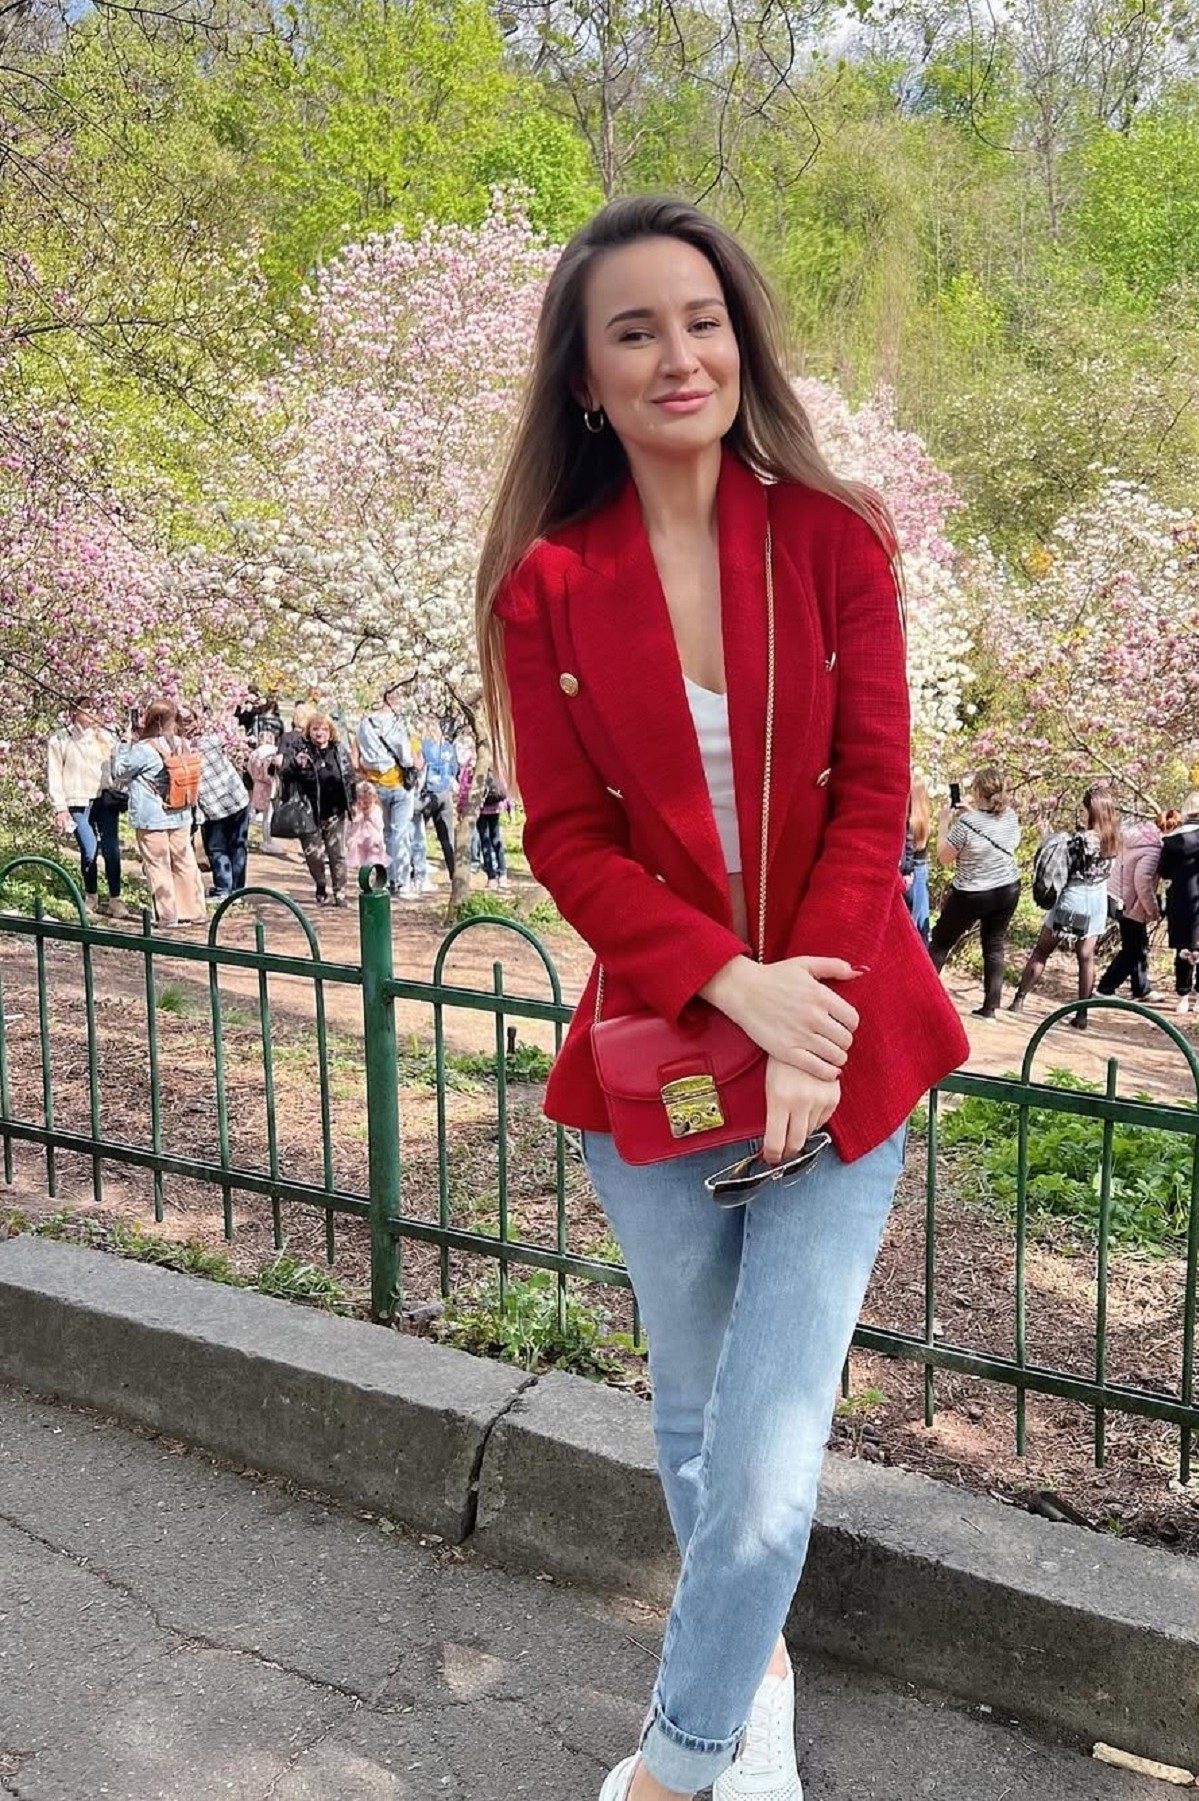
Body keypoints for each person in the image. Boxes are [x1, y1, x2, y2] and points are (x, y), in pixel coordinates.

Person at [474, 196, 968, 1801]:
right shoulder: (550, 587)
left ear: (738, 341)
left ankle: (671, 1772)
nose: (676, 354)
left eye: (699, 320)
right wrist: (734, 986)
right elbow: (566, 839)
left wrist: (804, 1025)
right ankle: (750, 1686)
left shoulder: (831, 537)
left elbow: (872, 798)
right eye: (633, 330)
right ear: (585, 380)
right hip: (666, 1054)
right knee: (692, 1420)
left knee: (762, 1468)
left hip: (842, 1051)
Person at [1009, 780, 1120, 1029]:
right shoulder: (1114, 840)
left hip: (1073, 897)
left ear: (1091, 810)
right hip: (1097, 900)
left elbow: (1060, 867)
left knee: (1042, 950)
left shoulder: (1080, 840)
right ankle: (1082, 1014)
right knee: (1086, 958)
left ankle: (1019, 999)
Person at [928, 768, 1021, 1019]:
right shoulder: (1010, 816)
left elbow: (944, 857)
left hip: (972, 893)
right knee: (994, 946)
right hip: (1007, 888)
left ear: (978, 791)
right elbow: (1000, 836)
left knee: (940, 943)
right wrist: (972, 813)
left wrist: (944, 823)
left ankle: (921, 995)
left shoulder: (966, 824)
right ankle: (990, 1008)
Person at [111, 701, 206, 928]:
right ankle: (194, 911)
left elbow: (119, 772)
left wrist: (125, 743)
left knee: (158, 864)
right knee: (184, 862)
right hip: (181, 812)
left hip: (152, 817)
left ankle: (168, 916)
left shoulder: (145, 749)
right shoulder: (183, 744)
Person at [46, 697, 128, 918]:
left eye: (95, 708)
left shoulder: (106, 736)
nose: (92, 712)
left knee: (111, 849)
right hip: (77, 801)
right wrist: (60, 807)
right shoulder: (60, 739)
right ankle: (91, 895)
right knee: (89, 849)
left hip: (104, 799)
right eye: (87, 708)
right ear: (74, 712)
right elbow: (54, 774)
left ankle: (115, 899)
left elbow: (120, 767)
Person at [281, 713, 355, 907]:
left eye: (324, 729)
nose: (319, 733)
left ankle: (340, 892)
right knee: (313, 855)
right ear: (309, 732)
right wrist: (296, 764)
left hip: (335, 811)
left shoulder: (339, 751)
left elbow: (349, 777)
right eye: (315, 729)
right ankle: (321, 884)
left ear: (330, 732)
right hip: (309, 813)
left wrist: (352, 804)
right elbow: (284, 774)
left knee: (337, 854)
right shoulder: (301, 750)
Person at [1096, 813, 1166, 1004]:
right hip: (1131, 903)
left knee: (1138, 945)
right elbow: (1142, 883)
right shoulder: (1153, 850)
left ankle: (1141, 988)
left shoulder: (1135, 838)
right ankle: (1105, 988)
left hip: (1118, 896)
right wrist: (1153, 910)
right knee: (1133, 949)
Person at [356, 684, 418, 897]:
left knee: (385, 833)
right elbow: (407, 758)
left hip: (376, 783)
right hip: (398, 783)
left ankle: (388, 878)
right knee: (400, 832)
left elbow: (361, 755)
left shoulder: (364, 724)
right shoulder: (397, 723)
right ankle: (402, 881)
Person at [187, 713, 251, 899]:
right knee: (233, 846)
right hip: (225, 802)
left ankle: (227, 890)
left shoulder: (193, 746)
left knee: (220, 848)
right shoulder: (209, 740)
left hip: (227, 802)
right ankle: (234, 890)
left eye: (190, 720)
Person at [1159, 795, 1199, 1015]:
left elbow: (1163, 871)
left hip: (1180, 898)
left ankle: (1182, 997)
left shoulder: (1172, 840)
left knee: (1183, 948)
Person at [420, 719, 458, 877]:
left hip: (427, 794)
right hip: (445, 792)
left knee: (419, 833)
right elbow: (455, 768)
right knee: (447, 836)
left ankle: (418, 870)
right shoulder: (448, 747)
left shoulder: (423, 746)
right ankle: (454, 871)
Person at [900, 775, 931, 943]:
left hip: (910, 875)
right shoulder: (922, 820)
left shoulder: (907, 823)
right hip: (921, 871)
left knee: (908, 926)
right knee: (920, 927)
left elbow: (906, 853)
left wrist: (905, 873)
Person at [477, 759, 511, 889]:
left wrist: (462, 807)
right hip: (496, 808)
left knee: (485, 842)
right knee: (497, 840)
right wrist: (509, 806)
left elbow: (465, 786)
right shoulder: (497, 763)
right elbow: (504, 786)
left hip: (481, 809)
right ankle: (503, 874)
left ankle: (491, 877)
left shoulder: (475, 763)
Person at [346, 780, 387, 875]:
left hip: (373, 841)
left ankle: (373, 871)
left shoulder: (376, 810)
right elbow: (351, 828)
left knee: (373, 851)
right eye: (361, 801)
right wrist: (358, 816)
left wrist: (368, 816)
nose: (365, 805)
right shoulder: (356, 811)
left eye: (368, 802)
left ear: (374, 799)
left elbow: (380, 826)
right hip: (359, 843)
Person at [247, 733, 279, 852]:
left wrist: (254, 778)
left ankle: (252, 838)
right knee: (268, 815)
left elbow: (249, 767)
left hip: (258, 784)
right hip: (270, 785)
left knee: (254, 811)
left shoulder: (255, 753)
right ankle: (267, 841)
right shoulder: (273, 751)